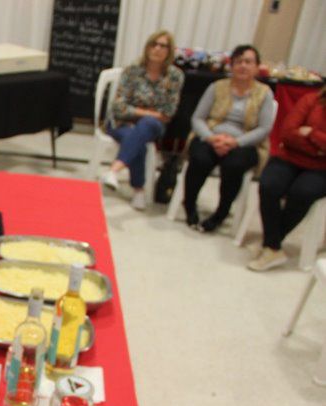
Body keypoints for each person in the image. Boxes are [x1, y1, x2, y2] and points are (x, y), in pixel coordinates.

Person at [182, 44, 276, 232]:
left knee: (233, 165)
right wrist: (211, 138)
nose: (243, 66)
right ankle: (190, 205)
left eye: (248, 62)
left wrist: (235, 142)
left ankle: (221, 213)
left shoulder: (264, 93)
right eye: (238, 62)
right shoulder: (216, 87)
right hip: (212, 137)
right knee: (200, 158)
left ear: (257, 67)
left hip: (245, 143)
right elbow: (198, 118)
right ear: (231, 66)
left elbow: (264, 129)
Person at [102, 30, 184, 210]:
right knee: (137, 136)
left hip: (153, 125)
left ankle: (114, 170)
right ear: (147, 47)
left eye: (163, 46)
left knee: (145, 126)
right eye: (154, 44)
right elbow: (119, 107)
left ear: (169, 51)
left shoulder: (175, 76)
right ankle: (138, 190)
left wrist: (141, 115)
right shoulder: (132, 70)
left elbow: (169, 112)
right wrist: (150, 113)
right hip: (121, 123)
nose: (158, 49)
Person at [248, 86, 326, 271]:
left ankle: (270, 243)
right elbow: (288, 132)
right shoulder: (310, 100)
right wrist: (320, 149)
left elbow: (299, 134)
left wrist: (312, 134)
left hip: (321, 169)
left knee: (301, 192)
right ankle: (273, 247)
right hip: (289, 157)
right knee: (269, 185)